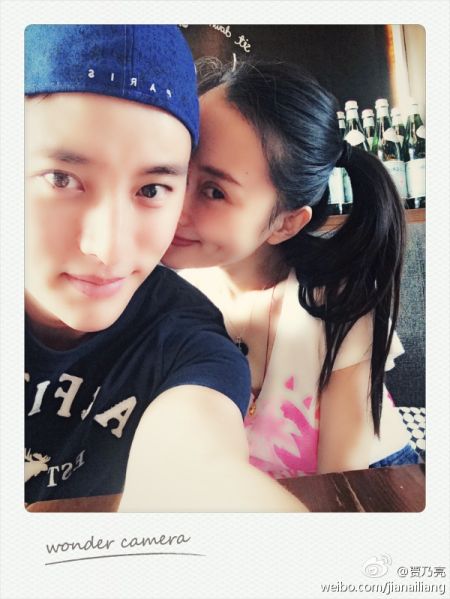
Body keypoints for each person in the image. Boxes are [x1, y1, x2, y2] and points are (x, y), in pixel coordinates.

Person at [24, 26, 307, 512]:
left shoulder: (188, 341)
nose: (108, 248)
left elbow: (195, 468)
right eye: (61, 179)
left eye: (151, 190)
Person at [163, 58, 419, 479]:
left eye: (214, 191)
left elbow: (343, 484)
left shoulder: (336, 302)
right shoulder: (158, 289)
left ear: (286, 223)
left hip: (366, 486)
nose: (172, 205)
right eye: (173, 172)